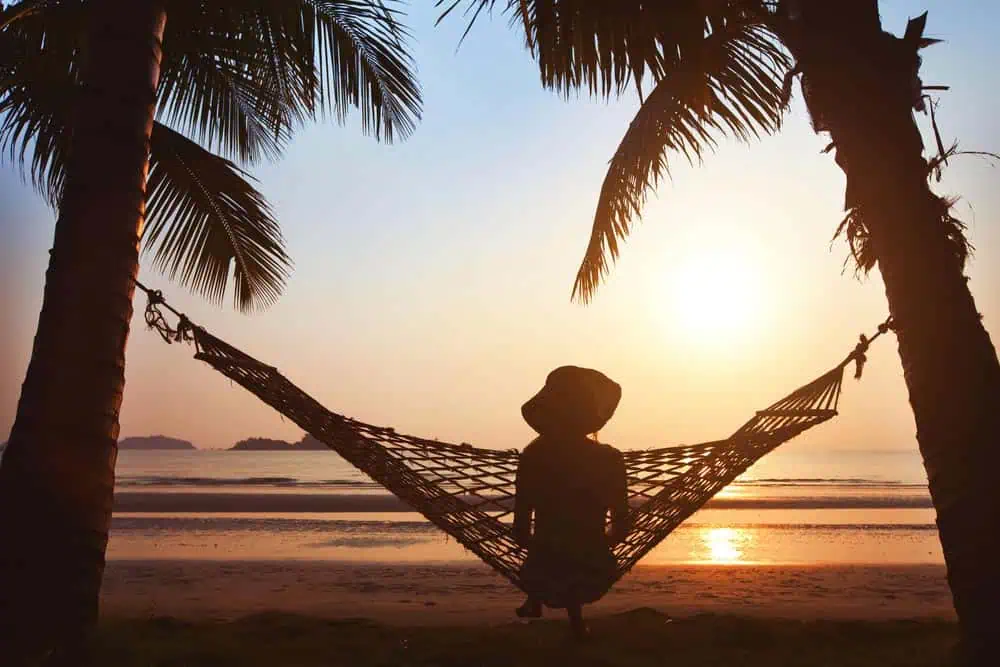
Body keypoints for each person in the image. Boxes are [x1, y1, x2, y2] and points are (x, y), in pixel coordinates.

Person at [512, 366, 630, 640]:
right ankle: (571, 618)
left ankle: (536, 599)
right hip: (595, 568)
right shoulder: (610, 460)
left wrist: (538, 544)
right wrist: (602, 541)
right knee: (571, 547)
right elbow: (622, 524)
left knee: (552, 546)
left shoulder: (534, 458)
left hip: (542, 570)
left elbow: (520, 529)